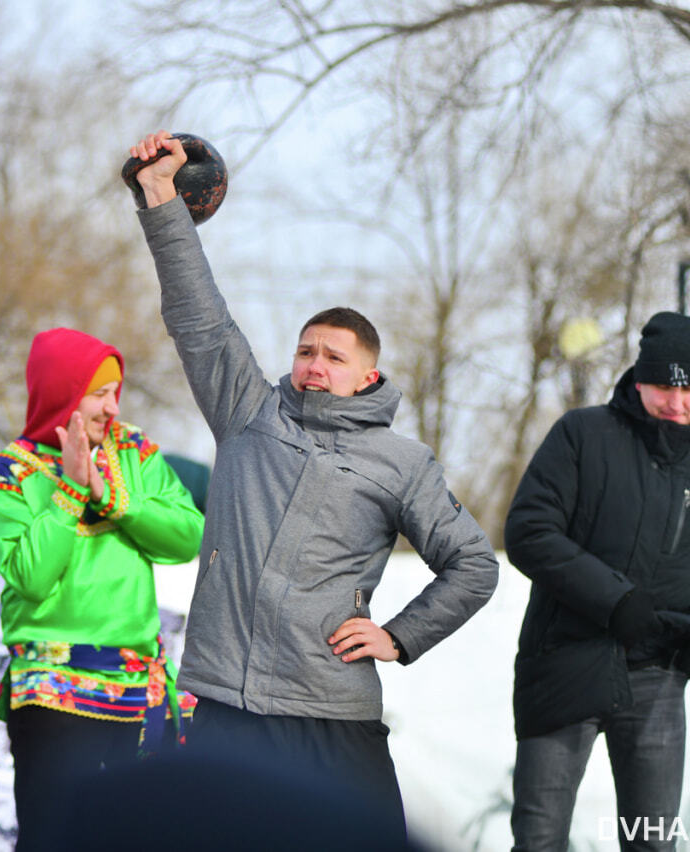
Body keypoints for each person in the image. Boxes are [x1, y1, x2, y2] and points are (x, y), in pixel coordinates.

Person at [127, 131, 499, 841]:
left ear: (369, 376)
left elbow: (474, 566)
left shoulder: (402, 461)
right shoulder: (247, 412)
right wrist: (159, 196)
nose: (314, 364)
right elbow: (198, 315)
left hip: (329, 718)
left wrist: (399, 636)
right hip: (223, 708)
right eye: (305, 350)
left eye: (333, 356)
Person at [505, 311, 690, 851]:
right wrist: (615, 600)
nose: (676, 403)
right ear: (637, 378)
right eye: (662, 386)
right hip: (563, 661)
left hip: (657, 675)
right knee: (538, 839)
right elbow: (529, 530)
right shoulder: (582, 435)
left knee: (652, 843)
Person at [0, 327, 204, 851]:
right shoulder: (3, 480)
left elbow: (187, 536)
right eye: (99, 393)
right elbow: (31, 575)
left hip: (139, 691)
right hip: (54, 695)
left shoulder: (133, 453)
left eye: (116, 392)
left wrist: (113, 498)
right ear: (62, 394)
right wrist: (71, 490)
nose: (112, 407)